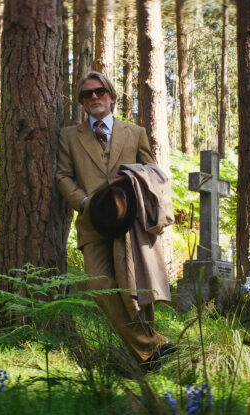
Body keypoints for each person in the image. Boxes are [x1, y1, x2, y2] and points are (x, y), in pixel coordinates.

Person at [57, 71, 175, 368]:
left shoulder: (134, 133)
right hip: (92, 223)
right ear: (82, 102)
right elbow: (62, 176)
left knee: (135, 289)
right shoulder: (69, 136)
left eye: (99, 91)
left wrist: (133, 180)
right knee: (99, 287)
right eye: (87, 94)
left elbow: (154, 173)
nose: (94, 97)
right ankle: (154, 346)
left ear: (111, 96)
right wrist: (84, 203)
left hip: (129, 224)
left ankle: (149, 359)